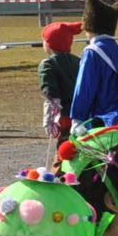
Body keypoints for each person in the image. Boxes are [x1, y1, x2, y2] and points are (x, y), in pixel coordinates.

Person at [65, 0, 118, 132]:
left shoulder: (92, 52)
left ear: (89, 28)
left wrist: (77, 119)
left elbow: (85, 87)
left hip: (103, 121)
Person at [35, 21, 81, 154]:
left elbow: (51, 95)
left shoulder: (47, 64)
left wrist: (50, 120)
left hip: (62, 116)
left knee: (64, 150)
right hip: (80, 114)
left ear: (50, 44)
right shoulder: (78, 61)